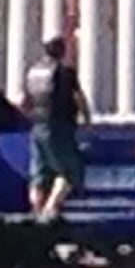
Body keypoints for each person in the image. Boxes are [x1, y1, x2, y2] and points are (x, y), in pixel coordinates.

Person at [26, 31, 86, 222]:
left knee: (39, 173)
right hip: (59, 125)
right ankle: (51, 208)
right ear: (61, 50)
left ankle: (36, 210)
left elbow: (24, 100)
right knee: (68, 170)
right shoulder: (65, 72)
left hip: (37, 125)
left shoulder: (33, 71)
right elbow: (78, 97)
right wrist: (86, 118)